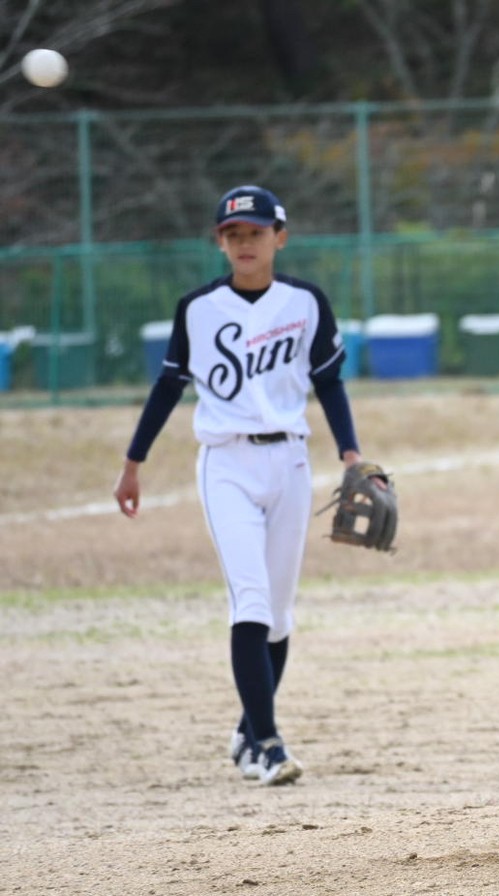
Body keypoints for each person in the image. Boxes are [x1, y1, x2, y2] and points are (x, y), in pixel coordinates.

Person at [113, 185, 376, 786]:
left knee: (279, 617)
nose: (245, 243)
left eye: (256, 233)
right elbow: (168, 386)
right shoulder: (198, 309)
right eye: (234, 235)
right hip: (226, 463)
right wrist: (133, 462)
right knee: (250, 601)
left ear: (279, 237)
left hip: (290, 464)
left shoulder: (306, 303)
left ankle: (246, 731)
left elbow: (328, 383)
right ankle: (269, 746)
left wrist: (351, 452)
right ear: (220, 242)